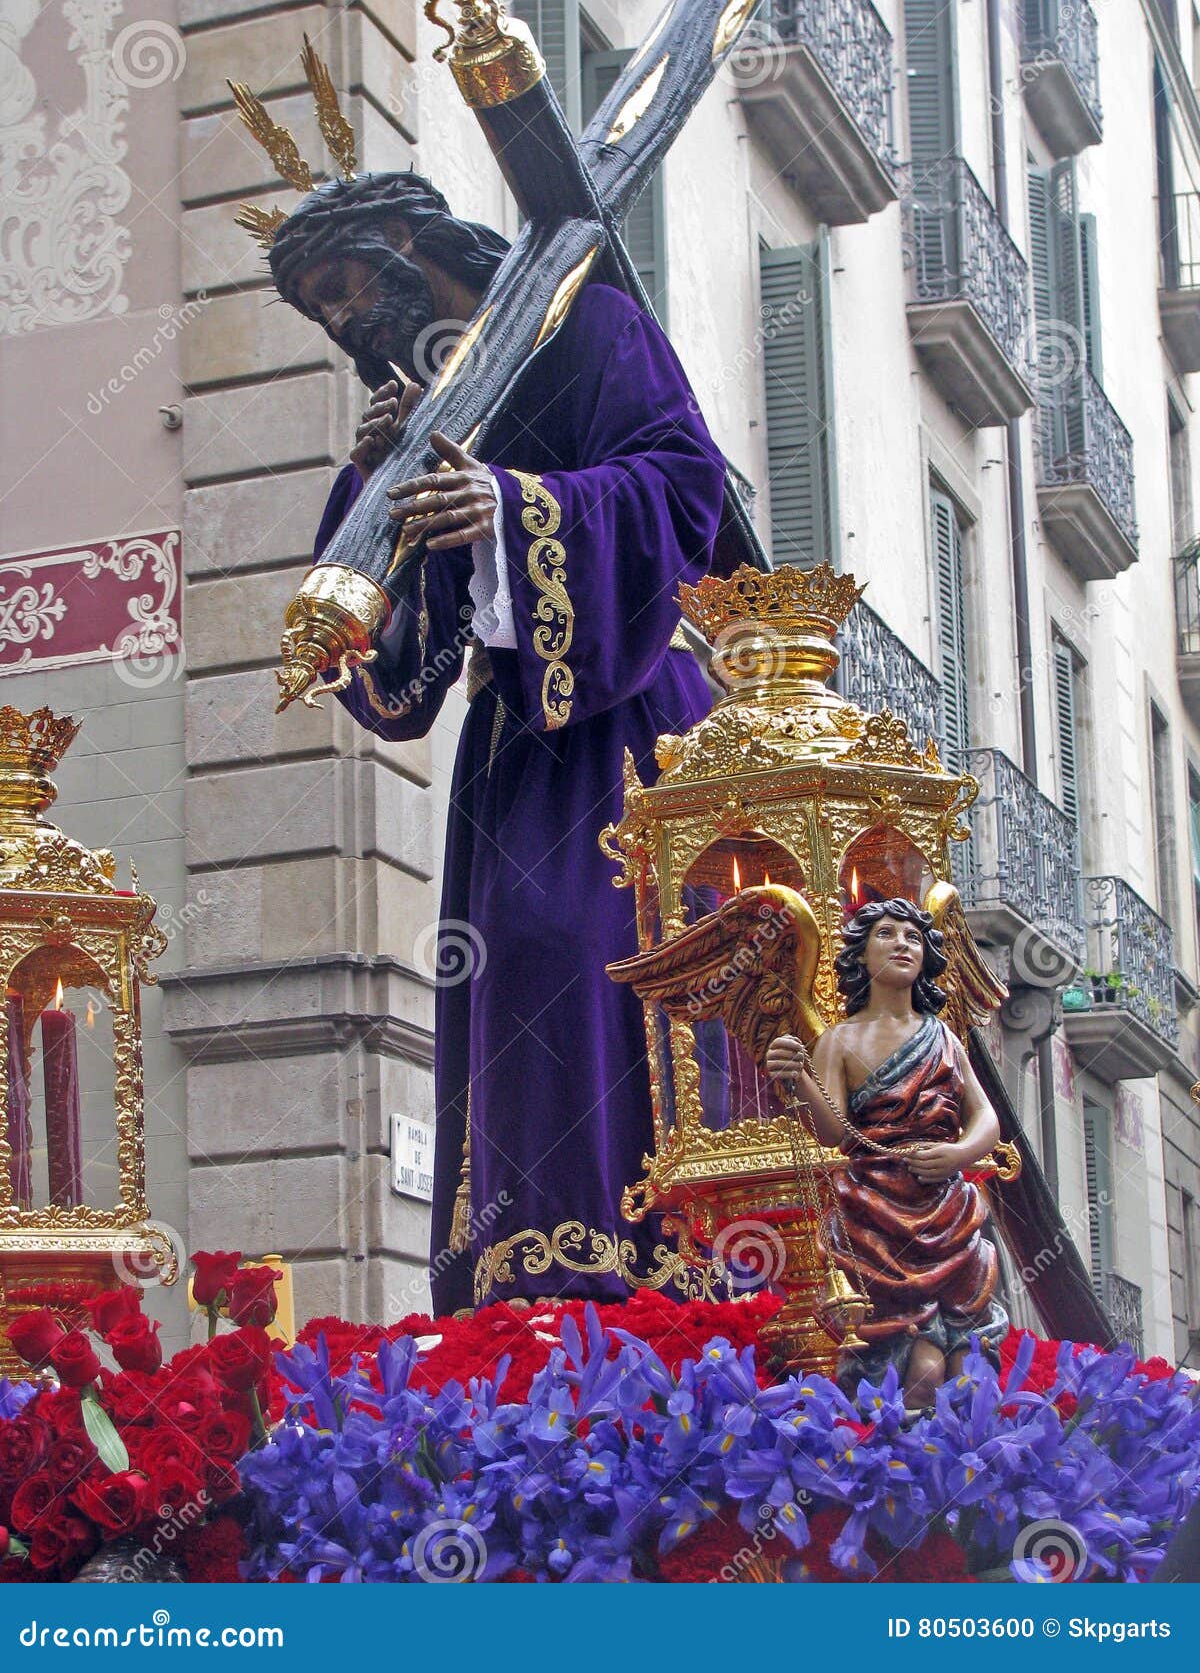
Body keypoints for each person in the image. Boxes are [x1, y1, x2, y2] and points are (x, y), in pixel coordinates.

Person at [267, 171, 727, 1315]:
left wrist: (514, 506)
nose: (339, 324)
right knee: (516, 962)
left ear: (403, 242)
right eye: (317, 316)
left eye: (341, 291)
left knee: (598, 951)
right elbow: (395, 674)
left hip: (634, 730)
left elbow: (683, 486)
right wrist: (381, 483)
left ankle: (665, 1273)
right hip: (515, 751)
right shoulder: (419, 407)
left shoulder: (590, 324)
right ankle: (530, 1284)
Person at [765, 897, 1008, 1406]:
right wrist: (799, 1080)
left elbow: (985, 1116)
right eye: (886, 934)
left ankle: (974, 1469)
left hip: (948, 1211)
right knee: (919, 1373)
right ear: (859, 955)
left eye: (913, 937)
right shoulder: (839, 1040)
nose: (902, 944)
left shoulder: (943, 1037)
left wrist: (959, 1154)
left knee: (971, 1369)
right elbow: (834, 1132)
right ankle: (902, 1471)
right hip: (877, 1215)